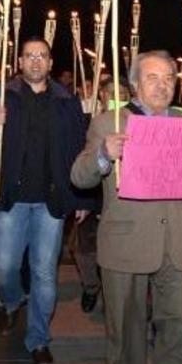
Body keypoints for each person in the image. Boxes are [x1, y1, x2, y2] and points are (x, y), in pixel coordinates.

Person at [71, 50, 182, 364]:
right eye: (153, 77)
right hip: (126, 245)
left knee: (181, 328)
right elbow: (79, 177)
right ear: (136, 83)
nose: (162, 85)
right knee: (125, 336)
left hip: (178, 243)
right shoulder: (108, 122)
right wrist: (103, 155)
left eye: (169, 78)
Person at [0, 36, 91, 364]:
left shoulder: (66, 100)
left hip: (51, 202)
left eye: (42, 56)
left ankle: (38, 338)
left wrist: (80, 196)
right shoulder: (2, 95)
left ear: (51, 63)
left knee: (45, 274)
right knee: (4, 265)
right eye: (29, 56)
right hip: (12, 197)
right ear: (19, 62)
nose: (36, 61)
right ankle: (11, 301)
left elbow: (79, 150)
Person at [71, 75, 130, 313]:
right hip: (90, 195)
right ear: (102, 96)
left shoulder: (132, 123)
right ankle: (91, 285)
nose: (118, 98)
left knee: (115, 252)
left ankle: (112, 296)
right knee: (84, 247)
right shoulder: (88, 120)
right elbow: (80, 162)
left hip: (118, 196)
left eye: (124, 95)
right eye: (112, 93)